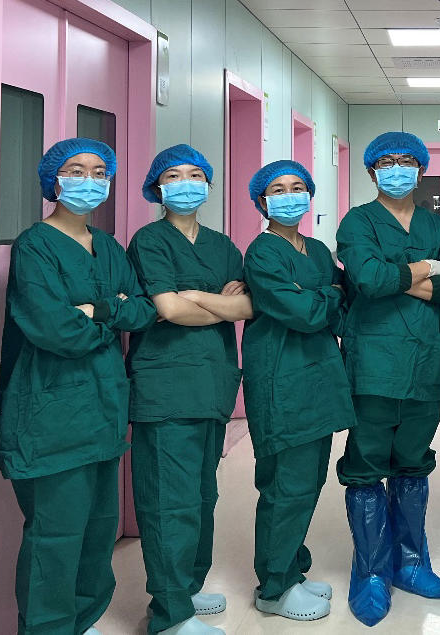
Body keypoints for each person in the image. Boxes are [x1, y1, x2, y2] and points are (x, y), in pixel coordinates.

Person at [0, 138, 156, 635]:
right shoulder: (35, 246)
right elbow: (56, 330)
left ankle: (81, 624)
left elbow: (141, 310)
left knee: (97, 535)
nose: (89, 180)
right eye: (76, 170)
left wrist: (95, 310)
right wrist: (111, 312)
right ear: (54, 181)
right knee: (55, 540)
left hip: (103, 414)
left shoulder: (109, 247)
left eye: (99, 172)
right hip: (50, 419)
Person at [335, 131, 440, 626]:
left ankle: (411, 563)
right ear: (372, 172)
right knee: (367, 462)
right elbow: (368, 280)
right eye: (387, 162)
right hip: (373, 361)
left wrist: (397, 276)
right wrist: (428, 269)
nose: (397, 169)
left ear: (421, 170)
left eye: (407, 161)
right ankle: (371, 572)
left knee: (413, 460)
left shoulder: (438, 224)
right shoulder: (358, 221)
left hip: (424, 361)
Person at [125, 145, 251, 635]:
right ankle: (170, 614)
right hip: (165, 388)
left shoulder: (223, 246)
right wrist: (216, 301)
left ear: (209, 185)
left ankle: (188, 588)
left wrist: (193, 297)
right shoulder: (149, 240)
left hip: (212, 384)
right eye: (173, 176)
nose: (186, 183)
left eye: (196, 175)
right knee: (168, 502)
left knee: (201, 496)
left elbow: (246, 308)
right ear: (157, 188)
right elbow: (169, 311)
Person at [243, 160, 357, 621]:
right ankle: (274, 588)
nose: (289, 196)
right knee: (285, 486)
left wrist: (322, 295)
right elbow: (308, 313)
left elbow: (338, 303)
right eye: (278, 189)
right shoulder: (262, 253)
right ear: (261, 201)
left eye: (297, 187)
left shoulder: (317, 250)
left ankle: (292, 570)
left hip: (319, 377)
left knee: (308, 482)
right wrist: (328, 294)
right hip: (281, 378)